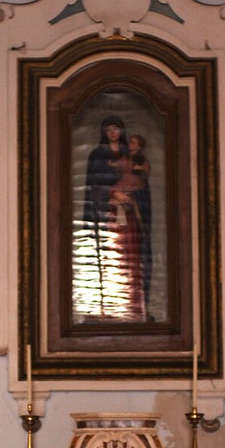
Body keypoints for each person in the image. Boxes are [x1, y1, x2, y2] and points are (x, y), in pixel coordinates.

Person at [82, 117, 148, 320]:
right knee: (110, 257)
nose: (113, 132)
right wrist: (112, 193)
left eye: (116, 128)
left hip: (128, 220)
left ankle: (132, 309)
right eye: (109, 129)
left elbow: (143, 185)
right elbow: (92, 185)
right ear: (104, 131)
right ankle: (107, 310)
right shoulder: (97, 155)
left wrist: (131, 195)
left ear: (122, 131)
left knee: (130, 259)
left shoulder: (132, 154)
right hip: (108, 220)